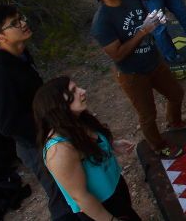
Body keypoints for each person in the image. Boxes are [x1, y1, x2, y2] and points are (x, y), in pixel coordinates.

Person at [0, 5, 77, 220]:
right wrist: (47, 133)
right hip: (35, 144)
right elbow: (8, 124)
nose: (23, 23)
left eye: (20, 18)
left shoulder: (20, 53)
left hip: (51, 131)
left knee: (75, 183)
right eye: (14, 23)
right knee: (62, 195)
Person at [86, 0, 186, 159]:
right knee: (148, 115)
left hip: (154, 60)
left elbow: (145, 17)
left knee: (176, 93)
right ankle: (158, 146)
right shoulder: (102, 22)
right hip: (132, 73)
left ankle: (175, 122)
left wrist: (155, 20)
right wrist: (143, 32)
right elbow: (118, 54)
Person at [33, 77, 140, 221]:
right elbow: (80, 197)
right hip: (102, 208)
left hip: (115, 190)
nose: (83, 91)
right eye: (73, 91)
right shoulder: (59, 150)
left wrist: (111, 145)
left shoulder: (78, 120)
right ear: (57, 105)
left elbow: (90, 146)